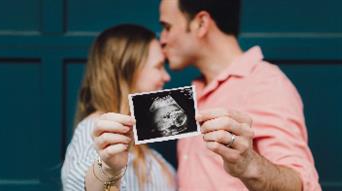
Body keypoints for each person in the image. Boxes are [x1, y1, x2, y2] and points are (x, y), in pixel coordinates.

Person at [159, 0, 322, 190]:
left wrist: (248, 165)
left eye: (167, 27)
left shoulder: (264, 85)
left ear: (201, 23)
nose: (162, 39)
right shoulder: (194, 93)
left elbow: (302, 184)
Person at [61, 24, 176, 191]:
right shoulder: (96, 130)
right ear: (127, 70)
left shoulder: (143, 146)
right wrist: (108, 169)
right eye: (158, 66)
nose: (166, 76)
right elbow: (85, 184)